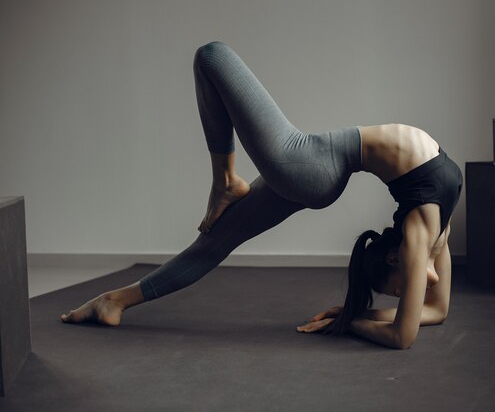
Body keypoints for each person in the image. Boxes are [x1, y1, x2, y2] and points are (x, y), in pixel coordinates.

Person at [60, 41, 463, 350]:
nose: (406, 294)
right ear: (395, 259)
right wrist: (360, 316)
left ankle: (220, 186)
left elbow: (416, 324)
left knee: (215, 240)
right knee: (211, 56)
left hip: (317, 169)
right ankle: (116, 299)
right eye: (397, 290)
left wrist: (353, 318)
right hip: (309, 162)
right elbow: (420, 321)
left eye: (399, 293)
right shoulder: (426, 239)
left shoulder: (426, 234)